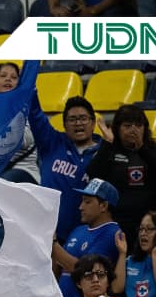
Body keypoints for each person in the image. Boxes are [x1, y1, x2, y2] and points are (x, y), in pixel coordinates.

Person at [86, 104, 156, 246]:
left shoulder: (153, 148)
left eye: (138, 125)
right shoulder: (110, 150)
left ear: (145, 128)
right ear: (117, 128)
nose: (133, 130)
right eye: (127, 126)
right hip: (117, 223)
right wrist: (107, 143)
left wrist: (142, 149)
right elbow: (93, 175)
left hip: (150, 223)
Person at [50, 179, 124, 297]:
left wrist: (52, 243)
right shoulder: (78, 230)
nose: (80, 207)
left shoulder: (112, 233)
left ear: (103, 206)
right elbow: (57, 268)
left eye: (87, 202)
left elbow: (84, 269)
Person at [30, 96, 102, 244]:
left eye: (83, 118)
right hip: (49, 232)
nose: (78, 123)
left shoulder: (105, 152)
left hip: (87, 236)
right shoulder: (52, 142)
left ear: (93, 122)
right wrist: (30, 88)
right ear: (64, 125)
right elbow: (35, 114)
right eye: (72, 119)